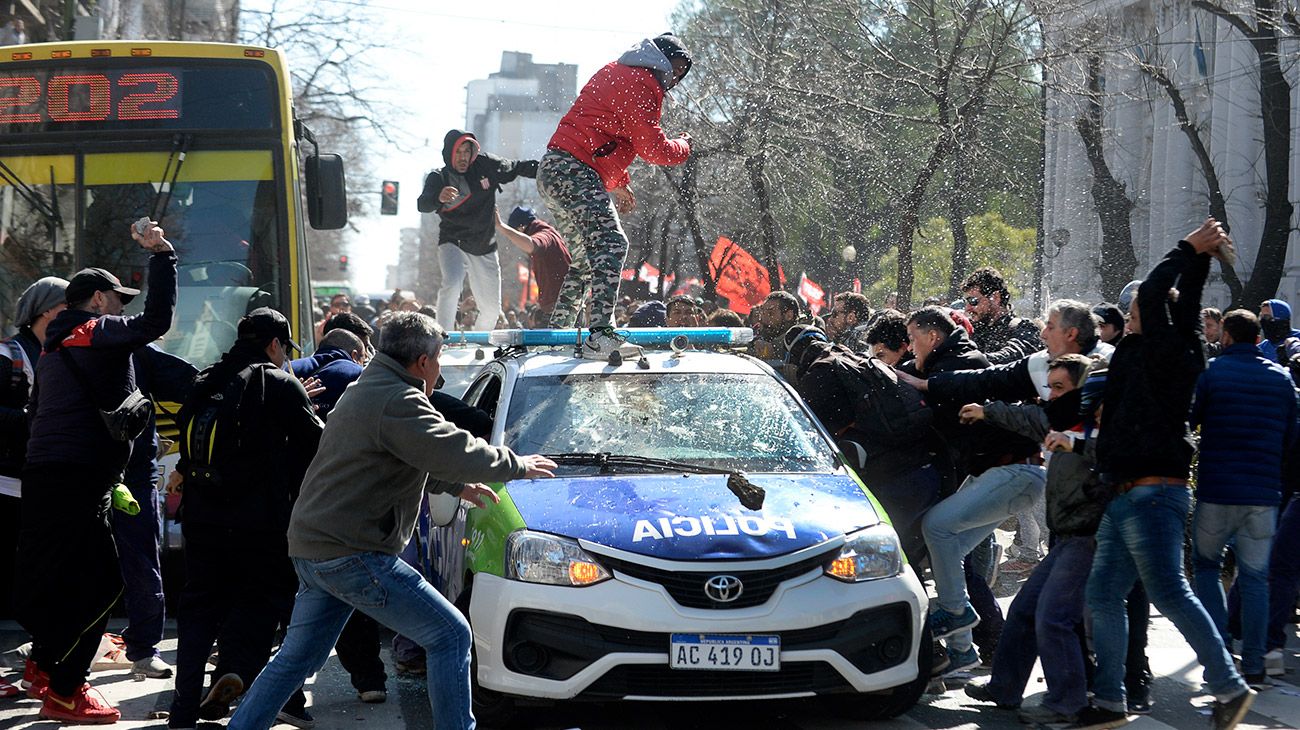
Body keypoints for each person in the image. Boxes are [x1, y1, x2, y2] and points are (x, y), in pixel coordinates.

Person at [226, 312, 556, 730]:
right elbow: (449, 449)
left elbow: (402, 454)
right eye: (438, 360)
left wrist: (458, 487)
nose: (440, 370)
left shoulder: (367, 387)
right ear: (421, 362)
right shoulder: (398, 400)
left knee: (296, 658)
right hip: (352, 552)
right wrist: (517, 464)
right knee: (450, 635)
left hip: (315, 547)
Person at [1076, 218, 1255, 730]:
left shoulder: (1163, 350)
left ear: (1148, 317)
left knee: (1171, 592)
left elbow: (1157, 292)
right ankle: (1110, 700)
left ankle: (1229, 685)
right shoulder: (1175, 347)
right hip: (1129, 492)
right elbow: (1180, 299)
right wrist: (1199, 259)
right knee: (1104, 595)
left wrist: (1184, 248)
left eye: (1133, 310)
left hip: (1151, 491)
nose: (1129, 313)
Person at [18, 221, 176, 722]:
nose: (123, 306)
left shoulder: (50, 348)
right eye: (117, 296)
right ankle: (67, 688)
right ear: (97, 300)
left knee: (62, 578)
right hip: (78, 477)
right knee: (106, 581)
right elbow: (155, 323)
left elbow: (35, 413)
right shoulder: (93, 330)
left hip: (49, 476)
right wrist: (163, 257)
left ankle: (44, 666)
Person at [167, 308, 323, 729]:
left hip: (201, 520)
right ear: (274, 344)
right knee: (268, 599)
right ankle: (250, 676)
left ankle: (182, 712)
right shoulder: (279, 383)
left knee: (199, 610)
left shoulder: (205, 381)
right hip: (260, 523)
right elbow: (320, 446)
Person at [963, 354, 1106, 725]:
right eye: (1050, 388)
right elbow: (1027, 418)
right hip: (1066, 538)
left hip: (1089, 536)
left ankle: (1068, 703)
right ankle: (1005, 688)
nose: (1052, 396)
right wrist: (986, 410)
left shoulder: (1098, 422)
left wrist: (1074, 443)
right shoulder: (1058, 417)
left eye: (1061, 388)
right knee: (1025, 609)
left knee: (1053, 618)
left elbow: (1112, 452)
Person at [542, 34, 692, 355]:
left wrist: (618, 181)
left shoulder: (619, 70)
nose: (676, 79)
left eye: (682, 74)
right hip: (574, 170)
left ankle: (556, 336)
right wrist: (684, 146)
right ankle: (601, 333)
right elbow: (652, 147)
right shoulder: (643, 83)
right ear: (662, 60)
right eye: (676, 69)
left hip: (555, 170)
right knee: (613, 243)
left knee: (585, 260)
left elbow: (602, 135)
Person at [1190, 309, 1298, 684]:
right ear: (1258, 339)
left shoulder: (1213, 373)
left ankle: (1219, 654)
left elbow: (1192, 420)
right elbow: (1290, 439)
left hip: (1216, 490)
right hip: (1263, 495)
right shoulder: (1282, 379)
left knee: (1205, 568)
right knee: (1255, 577)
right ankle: (1254, 664)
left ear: (1227, 337)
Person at [114, 344, 197, 680]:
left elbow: (197, 383)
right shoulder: (67, 348)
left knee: (144, 564)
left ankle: (145, 649)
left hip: (134, 476)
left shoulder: (136, 350)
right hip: (87, 473)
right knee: (79, 568)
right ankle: (56, 652)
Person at [417, 130, 538, 333]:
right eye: (459, 152)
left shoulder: (485, 164)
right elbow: (423, 204)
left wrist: (546, 170)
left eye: (467, 151)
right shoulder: (439, 177)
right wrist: (438, 197)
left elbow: (516, 167)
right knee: (453, 283)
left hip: (484, 244)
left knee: (492, 309)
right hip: (452, 241)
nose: (464, 157)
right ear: (449, 153)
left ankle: (477, 340)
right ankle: (442, 337)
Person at [0, 277, 66, 619]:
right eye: (66, 307)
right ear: (46, 312)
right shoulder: (8, 355)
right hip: (7, 483)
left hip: (38, 481)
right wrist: (32, 417)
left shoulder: (58, 354)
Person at [495, 207, 572, 318]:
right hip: (566, 302)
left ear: (521, 228)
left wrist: (501, 227)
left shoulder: (544, 235)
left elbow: (532, 244)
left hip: (559, 309)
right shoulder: (551, 232)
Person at [960, 267, 1041, 365]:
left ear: (995, 297)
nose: (967, 309)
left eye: (973, 301)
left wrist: (968, 360)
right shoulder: (972, 329)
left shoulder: (1024, 328)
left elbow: (1014, 356)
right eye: (966, 302)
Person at [1258, 298, 1300, 366]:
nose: (1263, 321)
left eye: (1267, 317)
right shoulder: (1262, 348)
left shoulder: (1297, 339)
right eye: (1261, 317)